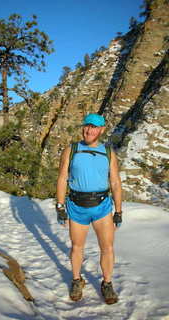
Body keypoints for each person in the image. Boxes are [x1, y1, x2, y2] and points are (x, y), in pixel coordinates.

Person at [56, 113, 122, 304]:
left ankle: (107, 283)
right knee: (77, 247)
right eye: (87, 126)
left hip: (102, 206)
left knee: (107, 247)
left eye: (94, 127)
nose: (89, 130)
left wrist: (118, 211)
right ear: (83, 127)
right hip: (77, 206)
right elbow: (62, 178)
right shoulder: (72, 149)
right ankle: (77, 280)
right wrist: (60, 206)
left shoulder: (108, 152)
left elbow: (116, 183)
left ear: (101, 130)